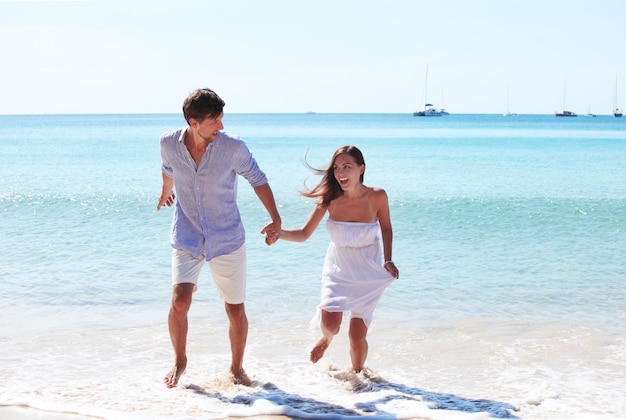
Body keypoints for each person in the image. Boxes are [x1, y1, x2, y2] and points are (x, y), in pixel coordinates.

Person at [157, 88, 281, 388]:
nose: (221, 127)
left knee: (234, 309)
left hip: (226, 237)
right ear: (193, 122)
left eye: (222, 119)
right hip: (187, 234)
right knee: (179, 301)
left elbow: (258, 179)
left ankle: (237, 369)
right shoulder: (168, 143)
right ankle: (179, 360)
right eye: (215, 121)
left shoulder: (233, 148)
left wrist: (276, 218)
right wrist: (165, 191)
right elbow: (167, 168)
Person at [276, 145, 399, 373]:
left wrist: (388, 259)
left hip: (367, 270)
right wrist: (279, 233)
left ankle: (358, 377)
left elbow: (387, 229)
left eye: (347, 167)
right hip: (338, 269)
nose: (341, 172)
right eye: (336, 168)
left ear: (361, 169)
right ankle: (326, 339)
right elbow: (304, 234)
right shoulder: (329, 199)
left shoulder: (378, 196)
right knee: (331, 325)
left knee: (356, 335)